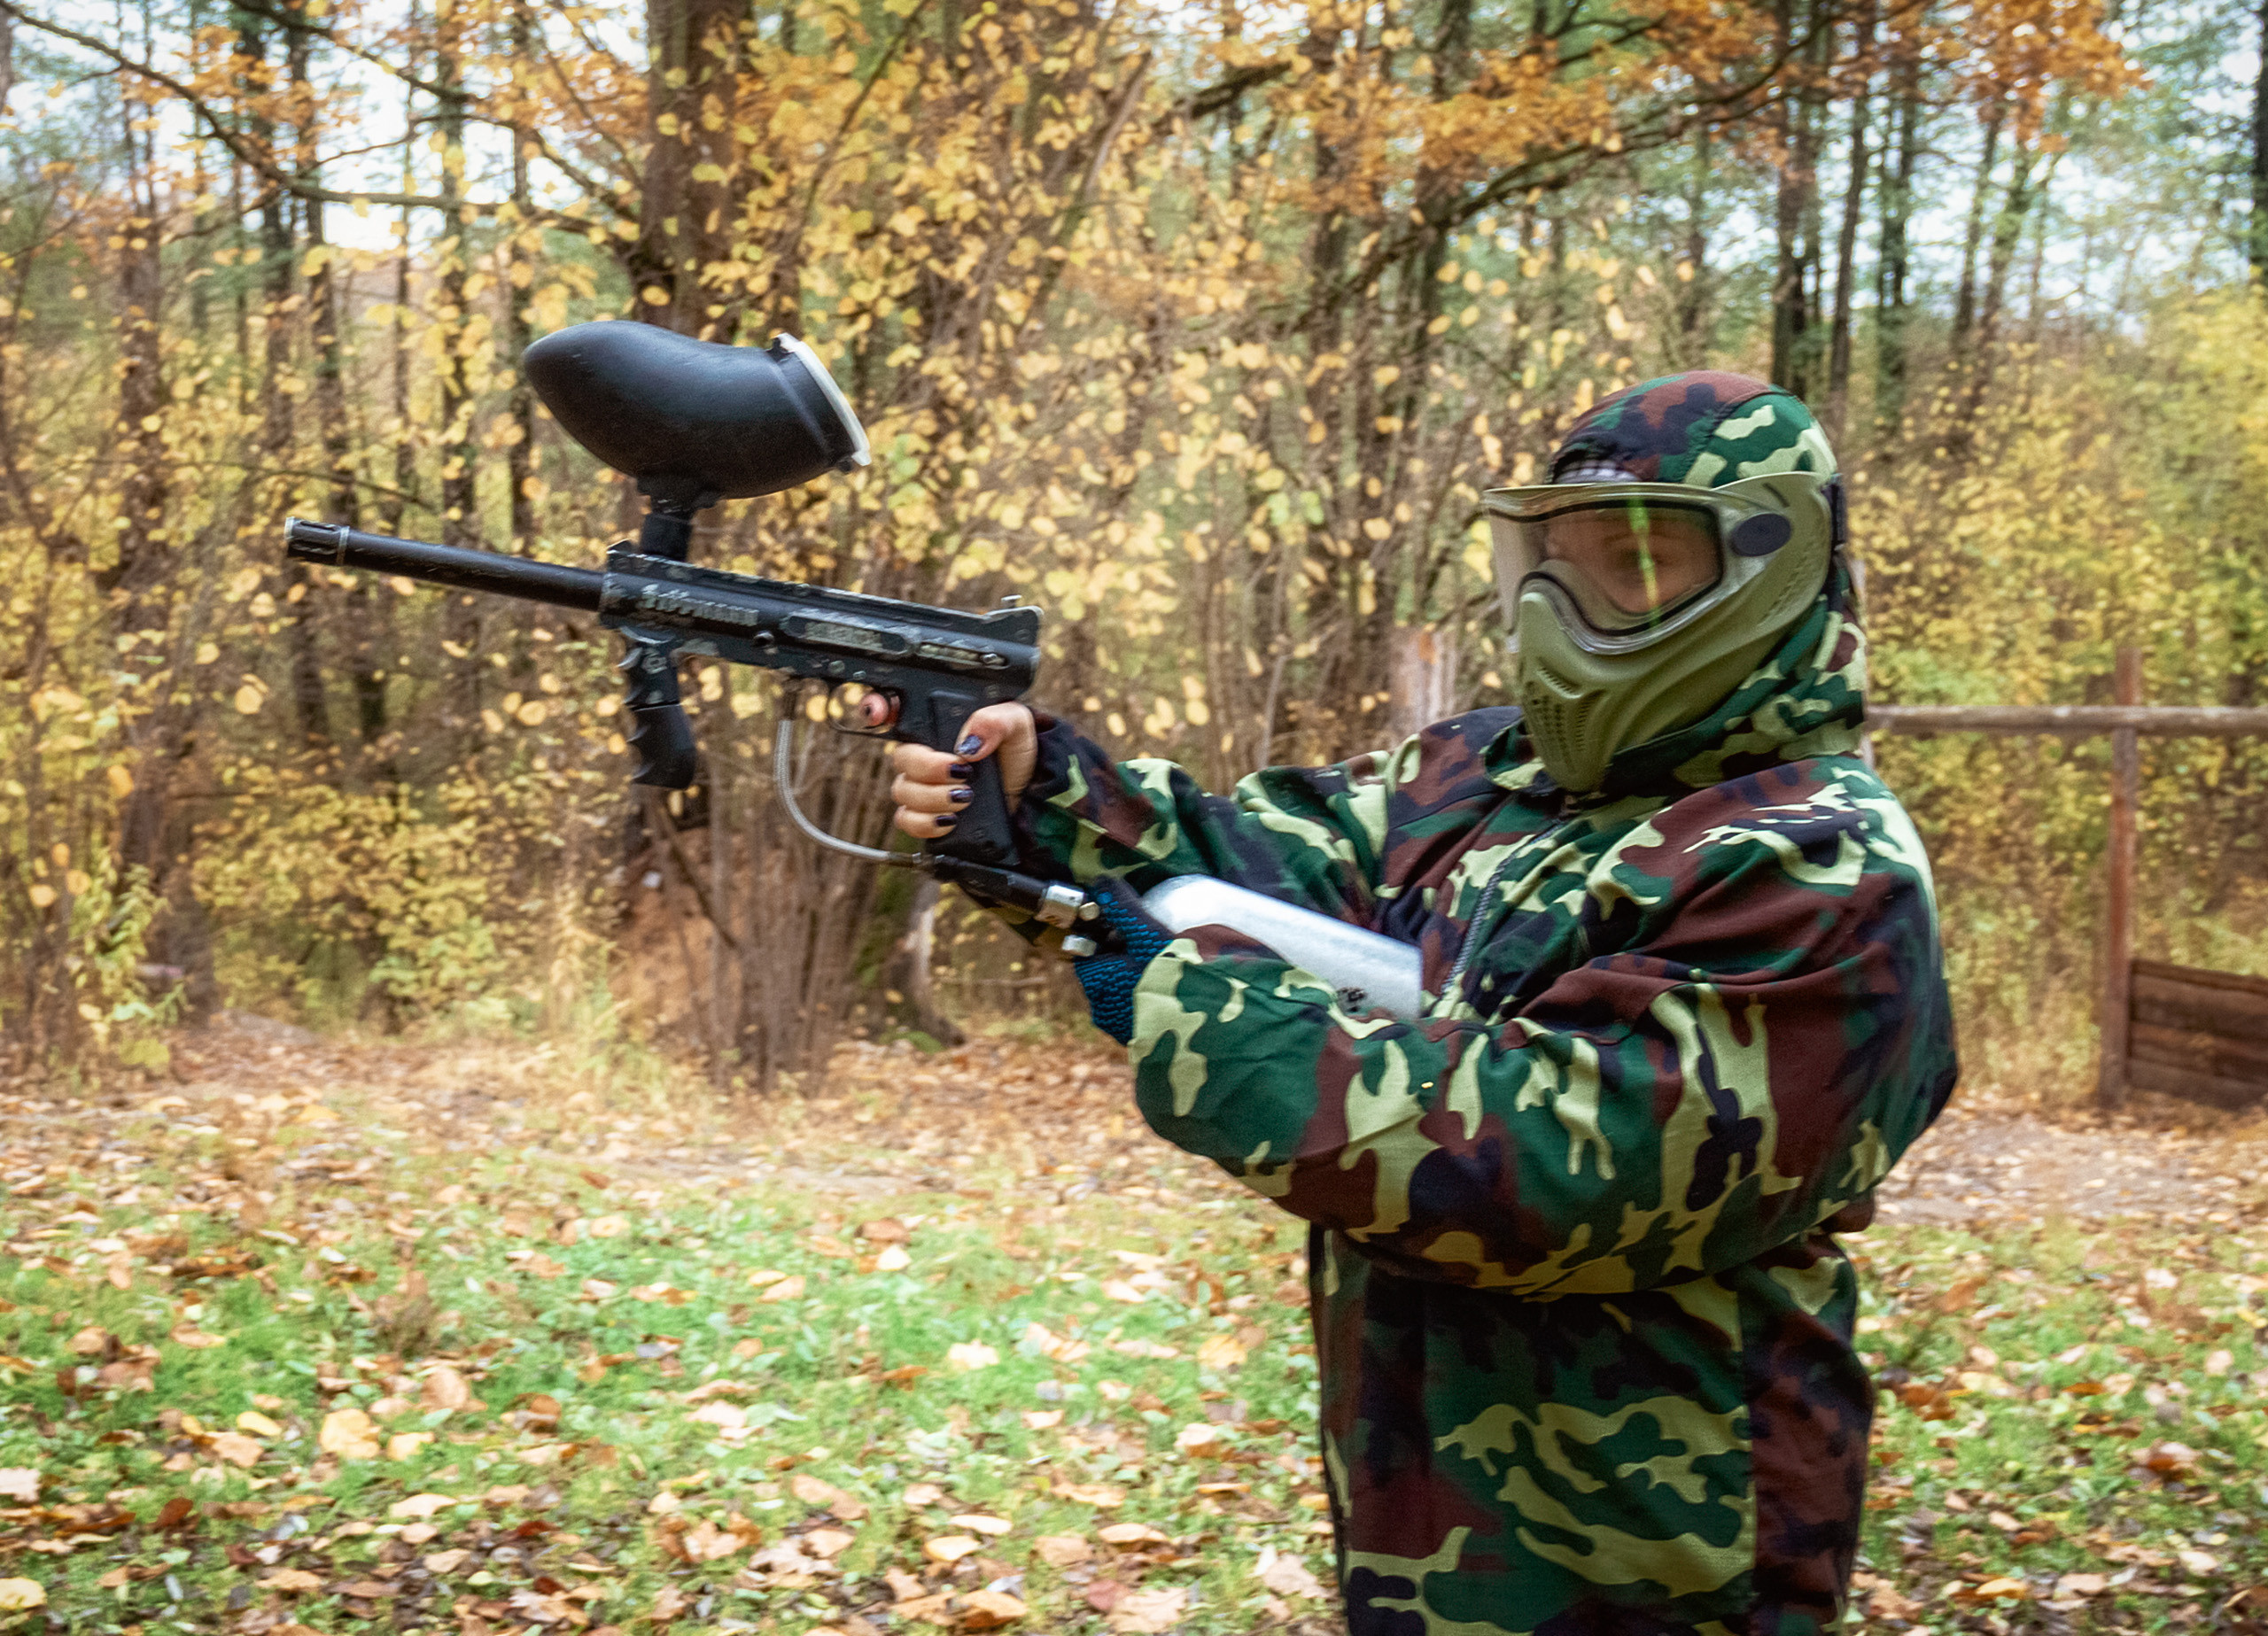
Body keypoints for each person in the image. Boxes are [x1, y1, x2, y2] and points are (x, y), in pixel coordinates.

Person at [889, 371, 1957, 1636]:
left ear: (1771, 571)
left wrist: (1185, 1012)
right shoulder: (1481, 776)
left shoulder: (1817, 862)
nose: (1572, 602)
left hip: (1660, 1563)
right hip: (1426, 1533)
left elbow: (1551, 1164)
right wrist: (1041, 793)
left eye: (1637, 559)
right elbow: (1239, 868)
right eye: (1553, 558)